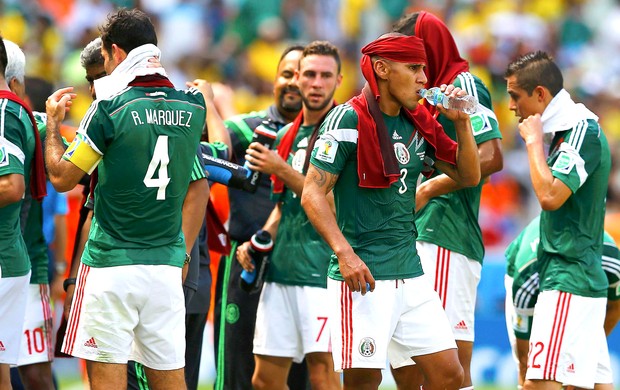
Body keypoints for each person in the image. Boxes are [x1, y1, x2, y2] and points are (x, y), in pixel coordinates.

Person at [301, 32, 480, 389]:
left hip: (411, 274)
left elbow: (468, 175)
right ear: (382, 69)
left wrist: (461, 122)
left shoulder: (419, 122)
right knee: (364, 383)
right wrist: (344, 254)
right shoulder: (346, 120)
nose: (423, 80)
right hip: (363, 277)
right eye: (413, 68)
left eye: (424, 70)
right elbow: (312, 194)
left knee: (450, 375)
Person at [44, 8, 209, 389]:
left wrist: (53, 124)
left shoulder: (107, 110)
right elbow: (197, 187)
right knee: (170, 380)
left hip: (110, 266)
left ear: (115, 52)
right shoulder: (193, 106)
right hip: (166, 267)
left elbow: (61, 178)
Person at [390, 11, 504, 389]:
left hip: (443, 232)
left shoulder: (461, 84)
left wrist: (427, 189)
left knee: (447, 368)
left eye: (414, 56)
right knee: (408, 367)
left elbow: (492, 155)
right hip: (417, 235)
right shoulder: (423, 96)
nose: (414, 68)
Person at [236, 40, 343, 390]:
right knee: (265, 379)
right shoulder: (286, 134)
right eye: (309, 74)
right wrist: (260, 239)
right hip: (281, 270)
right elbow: (284, 206)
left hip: (323, 273)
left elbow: (333, 208)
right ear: (297, 78)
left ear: (339, 81)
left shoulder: (348, 132)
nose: (316, 83)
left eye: (325, 76)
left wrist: (282, 170)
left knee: (323, 373)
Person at [505, 51, 611, 390]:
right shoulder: (568, 133)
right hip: (574, 278)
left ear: (540, 94)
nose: (510, 106)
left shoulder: (582, 131)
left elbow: (550, 197)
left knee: (539, 384)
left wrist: (534, 143)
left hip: (569, 277)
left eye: (514, 96)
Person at [213, 44, 308, 390]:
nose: (294, 82)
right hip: (244, 262)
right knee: (235, 373)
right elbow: (216, 148)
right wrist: (212, 102)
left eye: (303, 74)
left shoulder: (323, 134)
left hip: (302, 264)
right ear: (274, 81)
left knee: (302, 375)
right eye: (287, 74)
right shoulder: (248, 127)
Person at [505, 216, 620, 388]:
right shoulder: (526, 278)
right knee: (532, 379)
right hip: (533, 285)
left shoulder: (610, 258)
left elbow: (616, 308)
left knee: (595, 381)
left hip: (586, 291)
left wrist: (585, 351)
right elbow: (525, 360)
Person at [0, 35, 47, 389]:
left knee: (32, 374)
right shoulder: (21, 115)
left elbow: (11, 186)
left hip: (7, 258)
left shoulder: (5, 112)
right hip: (13, 258)